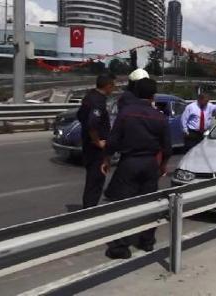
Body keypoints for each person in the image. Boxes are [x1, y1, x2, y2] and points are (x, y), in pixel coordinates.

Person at [101, 78, 172, 259]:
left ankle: (120, 247)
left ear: (136, 92)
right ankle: (147, 241)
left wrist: (107, 159)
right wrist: (162, 165)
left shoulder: (126, 113)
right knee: (149, 204)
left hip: (130, 163)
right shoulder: (160, 117)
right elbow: (167, 148)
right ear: (153, 95)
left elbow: (113, 140)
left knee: (123, 205)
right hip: (150, 165)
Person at [76, 73, 115, 209]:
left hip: (87, 145)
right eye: (112, 86)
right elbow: (92, 124)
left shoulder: (89, 97)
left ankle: (88, 207)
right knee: (96, 180)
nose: (113, 89)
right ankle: (90, 210)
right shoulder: (98, 101)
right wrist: (97, 141)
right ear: (108, 86)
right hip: (95, 148)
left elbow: (80, 116)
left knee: (91, 179)